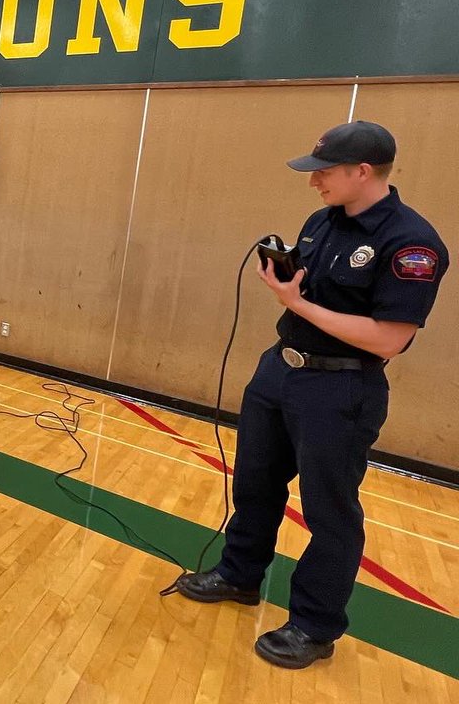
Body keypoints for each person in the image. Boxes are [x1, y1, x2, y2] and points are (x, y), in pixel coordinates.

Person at [175, 121, 448, 668]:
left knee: (329, 510)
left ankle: (314, 625)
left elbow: (389, 339)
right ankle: (239, 574)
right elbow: (311, 293)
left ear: (362, 171)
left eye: (324, 171)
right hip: (281, 370)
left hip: (341, 387)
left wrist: (296, 304)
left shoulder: (410, 243)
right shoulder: (321, 222)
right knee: (255, 484)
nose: (313, 181)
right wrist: (288, 286)